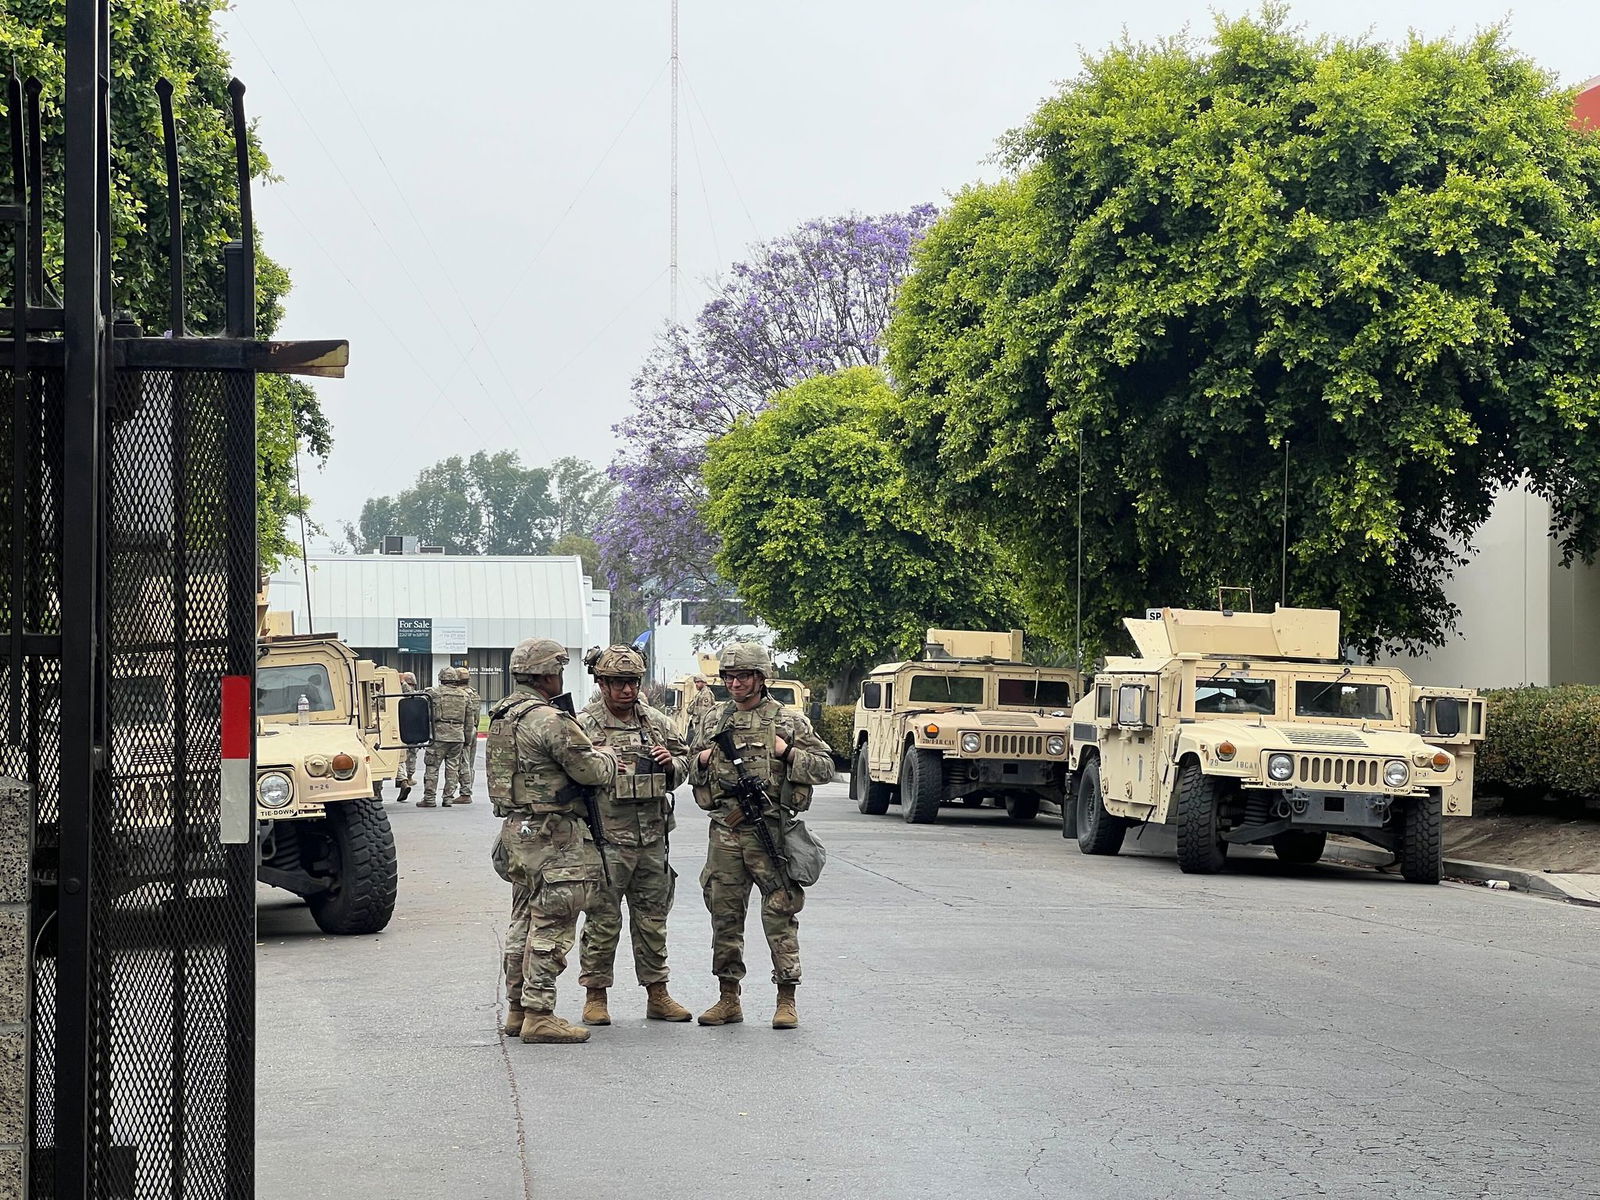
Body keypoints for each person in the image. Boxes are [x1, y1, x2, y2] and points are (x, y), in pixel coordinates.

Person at [688, 642, 833, 1030]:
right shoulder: (715, 719)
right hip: (726, 830)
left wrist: (788, 755)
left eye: (742, 677)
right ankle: (727, 998)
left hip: (771, 831)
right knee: (725, 916)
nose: (734, 684)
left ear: (761, 678)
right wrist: (700, 761)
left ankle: (786, 999)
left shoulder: (788, 722)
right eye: (728, 677)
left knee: (780, 912)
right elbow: (689, 765)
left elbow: (825, 767)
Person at [488, 637, 617, 1044]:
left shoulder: (503, 715)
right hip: (553, 836)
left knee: (522, 923)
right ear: (546, 674)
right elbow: (591, 771)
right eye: (558, 669)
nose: (561, 675)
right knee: (553, 924)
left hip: (518, 832)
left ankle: (517, 1009)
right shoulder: (549, 720)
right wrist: (608, 756)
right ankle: (540, 1014)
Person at [575, 645, 693, 1025]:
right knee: (602, 921)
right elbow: (571, 773)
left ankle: (657, 993)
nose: (627, 690)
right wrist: (600, 758)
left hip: (652, 840)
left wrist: (670, 764)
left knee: (653, 920)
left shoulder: (656, 722)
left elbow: (685, 762)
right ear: (603, 683)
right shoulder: (585, 724)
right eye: (618, 683)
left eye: (632, 682)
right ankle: (596, 996)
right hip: (606, 841)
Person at [421, 665, 472, 808]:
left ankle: (429, 798)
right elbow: (470, 720)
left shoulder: (434, 693)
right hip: (457, 737)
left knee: (432, 767)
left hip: (439, 736)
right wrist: (467, 739)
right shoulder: (465, 695)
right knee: (453, 768)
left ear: (441, 679)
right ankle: (448, 798)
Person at [456, 667, 482, 804]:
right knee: (470, 762)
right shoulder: (474, 693)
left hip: (464, 729)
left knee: (463, 761)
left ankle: (465, 792)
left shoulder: (460, 694)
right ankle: (468, 788)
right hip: (474, 729)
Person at [396, 671, 420, 800]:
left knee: (399, 757)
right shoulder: (407, 693)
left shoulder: (390, 690)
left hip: (395, 729)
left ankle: (405, 779)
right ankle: (406, 778)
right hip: (408, 729)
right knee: (408, 756)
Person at [683, 673, 716, 737]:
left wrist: (702, 729)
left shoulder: (706, 694)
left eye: (698, 682)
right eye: (695, 682)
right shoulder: (700, 694)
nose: (696, 684)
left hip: (701, 726)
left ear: (703, 682)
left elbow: (704, 713)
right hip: (697, 724)